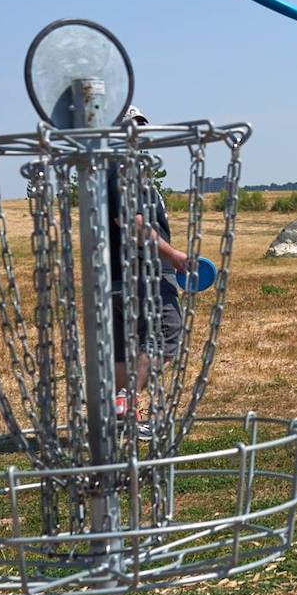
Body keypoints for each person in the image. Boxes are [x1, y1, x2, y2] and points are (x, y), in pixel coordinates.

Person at [108, 105, 189, 437]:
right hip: (144, 273)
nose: (139, 134)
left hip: (122, 273)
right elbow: (132, 223)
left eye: (142, 127)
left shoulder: (120, 171)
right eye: (132, 127)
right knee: (165, 337)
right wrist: (172, 256)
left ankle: (120, 417)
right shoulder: (122, 171)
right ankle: (127, 408)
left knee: (128, 346)